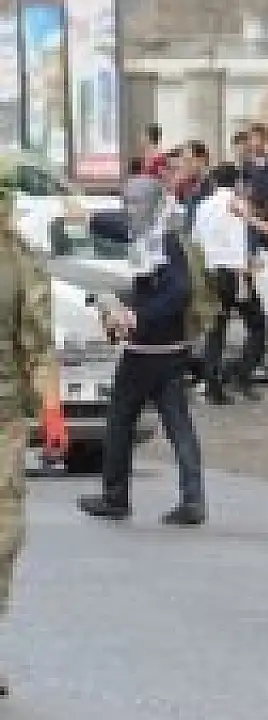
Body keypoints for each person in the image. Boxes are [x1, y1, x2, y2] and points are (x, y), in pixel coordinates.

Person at [77, 177, 206, 526]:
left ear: (153, 204)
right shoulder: (152, 233)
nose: (130, 209)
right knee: (176, 424)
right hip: (162, 347)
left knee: (121, 421)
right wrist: (86, 216)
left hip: (151, 348)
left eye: (136, 202)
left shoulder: (166, 241)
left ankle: (116, 496)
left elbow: (179, 291)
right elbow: (118, 226)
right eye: (127, 202)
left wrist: (137, 316)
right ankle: (192, 499)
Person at [0, 172, 66, 697]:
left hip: (4, 415)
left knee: (4, 532)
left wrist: (51, 409)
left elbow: (38, 342)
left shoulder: (18, 260)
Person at [193, 162, 263, 404]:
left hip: (210, 272)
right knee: (256, 324)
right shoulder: (238, 204)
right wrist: (244, 273)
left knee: (216, 331)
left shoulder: (202, 206)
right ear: (237, 182)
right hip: (234, 271)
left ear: (214, 182)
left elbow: (196, 241)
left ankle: (213, 386)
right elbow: (239, 240)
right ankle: (242, 374)